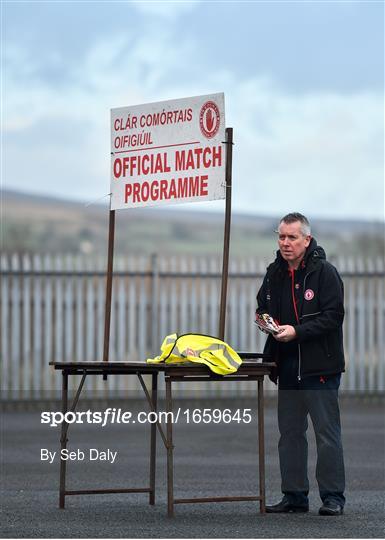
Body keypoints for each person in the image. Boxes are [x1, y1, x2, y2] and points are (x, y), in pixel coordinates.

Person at [256, 212, 345, 516]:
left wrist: (297, 332)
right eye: (281, 236)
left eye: (292, 237)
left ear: (306, 239)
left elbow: (333, 317)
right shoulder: (274, 273)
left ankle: (333, 497)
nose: (285, 243)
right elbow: (262, 307)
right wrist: (265, 322)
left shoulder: (326, 274)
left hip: (320, 370)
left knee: (326, 435)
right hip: (287, 368)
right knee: (290, 435)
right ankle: (294, 496)